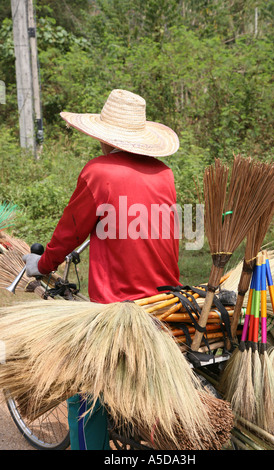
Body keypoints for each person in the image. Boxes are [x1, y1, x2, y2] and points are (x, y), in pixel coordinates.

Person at [23, 89, 181, 450]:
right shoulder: (164, 173)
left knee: (83, 390)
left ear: (103, 136)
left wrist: (42, 263)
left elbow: (69, 232)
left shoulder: (99, 172)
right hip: (164, 299)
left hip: (117, 307)